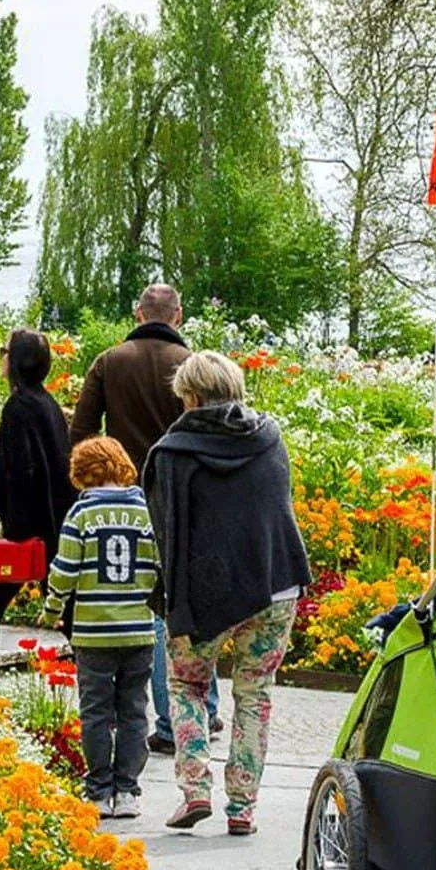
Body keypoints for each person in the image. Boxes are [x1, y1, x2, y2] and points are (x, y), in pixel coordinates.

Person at [144, 350, 311, 835]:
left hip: (205, 592)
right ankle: (242, 808)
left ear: (191, 397)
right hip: (274, 582)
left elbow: (165, 534)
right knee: (255, 693)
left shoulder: (171, 454)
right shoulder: (269, 437)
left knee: (187, 685)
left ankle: (196, 789)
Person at [70, 282, 219, 754]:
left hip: (129, 497)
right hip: (187, 496)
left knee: (154, 606)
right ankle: (207, 707)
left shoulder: (109, 361)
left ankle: (172, 719)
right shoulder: (192, 365)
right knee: (192, 599)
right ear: (178, 315)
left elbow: (81, 430)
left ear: (138, 314)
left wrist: (104, 476)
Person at [44, 436, 160, 820]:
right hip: (138, 629)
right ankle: (127, 791)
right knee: (134, 711)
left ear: (81, 472)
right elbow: (160, 565)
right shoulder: (145, 510)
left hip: (93, 632)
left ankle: (98, 791)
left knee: (95, 712)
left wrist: (52, 608)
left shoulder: (81, 514)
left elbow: (65, 570)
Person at [0, 330, 77, 675]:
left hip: (28, 529)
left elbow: (20, 471)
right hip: (54, 523)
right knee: (69, 612)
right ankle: (103, 684)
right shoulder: (46, 403)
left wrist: (11, 527)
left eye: (4, 350)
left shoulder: (18, 406)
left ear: (15, 360)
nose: (1, 356)